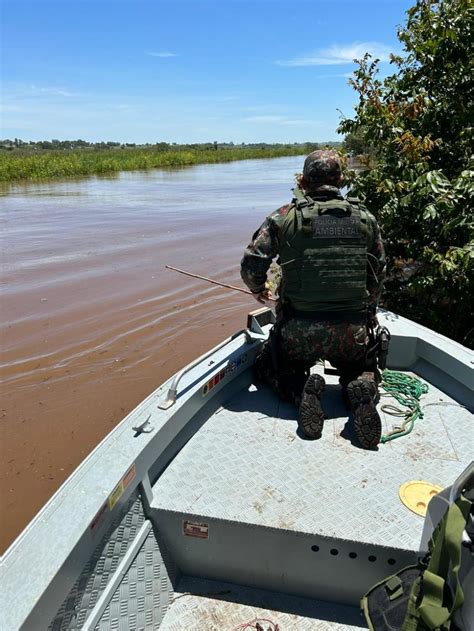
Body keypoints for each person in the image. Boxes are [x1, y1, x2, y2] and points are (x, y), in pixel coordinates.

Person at [240, 149, 386, 449]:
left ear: (304, 182)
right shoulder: (366, 219)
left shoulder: (284, 217)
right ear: (341, 180)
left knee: (267, 366)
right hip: (352, 334)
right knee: (364, 369)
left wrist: (259, 288)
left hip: (298, 333)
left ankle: (300, 388)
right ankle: (359, 388)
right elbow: (378, 273)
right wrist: (368, 313)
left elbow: (252, 262)